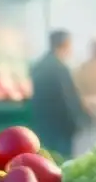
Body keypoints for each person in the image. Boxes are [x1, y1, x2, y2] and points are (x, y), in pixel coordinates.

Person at [30, 29, 91, 158]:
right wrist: (82, 121)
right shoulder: (60, 68)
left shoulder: (38, 65)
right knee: (61, 163)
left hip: (42, 126)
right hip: (60, 129)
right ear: (65, 44)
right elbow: (69, 101)